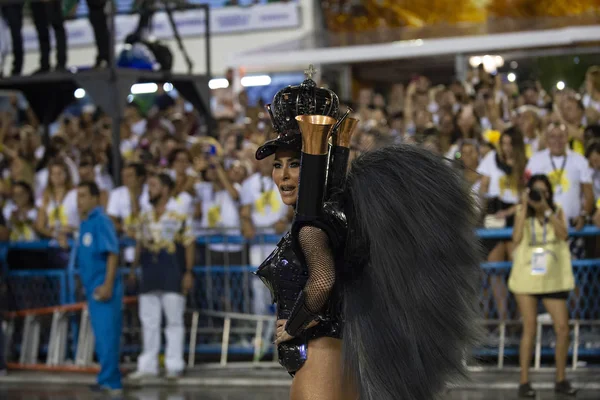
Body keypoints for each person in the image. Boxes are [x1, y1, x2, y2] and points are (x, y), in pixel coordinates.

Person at [254, 71, 481, 400]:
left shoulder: (312, 223)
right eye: (278, 165)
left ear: (315, 163)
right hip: (344, 367)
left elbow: (322, 280)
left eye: (295, 164)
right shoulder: (339, 213)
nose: (284, 176)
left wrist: (292, 325)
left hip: (321, 368)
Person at [508, 174, 577, 398]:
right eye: (536, 191)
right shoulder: (522, 212)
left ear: (549, 193)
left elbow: (564, 235)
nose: (540, 195)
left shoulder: (555, 211)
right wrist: (525, 205)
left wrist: (545, 209)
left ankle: (561, 379)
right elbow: (516, 238)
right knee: (530, 327)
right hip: (527, 276)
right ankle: (524, 382)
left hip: (552, 276)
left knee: (563, 328)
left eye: (544, 192)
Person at [128, 173, 194, 380]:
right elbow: (139, 243)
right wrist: (133, 270)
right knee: (149, 321)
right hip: (149, 273)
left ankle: (174, 365)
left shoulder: (179, 215)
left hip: (172, 273)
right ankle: (148, 366)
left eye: (153, 185)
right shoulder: (144, 216)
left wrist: (188, 272)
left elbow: (189, 243)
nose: (149, 189)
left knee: (173, 321)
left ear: (165, 189)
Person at [76, 181, 123, 397]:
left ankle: (113, 382)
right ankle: (105, 378)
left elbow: (112, 253)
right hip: (92, 288)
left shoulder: (101, 221)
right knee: (101, 337)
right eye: (78, 196)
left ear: (95, 198)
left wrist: (108, 284)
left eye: (84, 196)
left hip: (103, 288)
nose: (80, 201)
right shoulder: (84, 223)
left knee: (107, 335)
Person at [86, 0, 111, 68]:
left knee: (102, 36)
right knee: (99, 37)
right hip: (94, 11)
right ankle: (103, 57)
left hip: (99, 11)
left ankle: (106, 57)